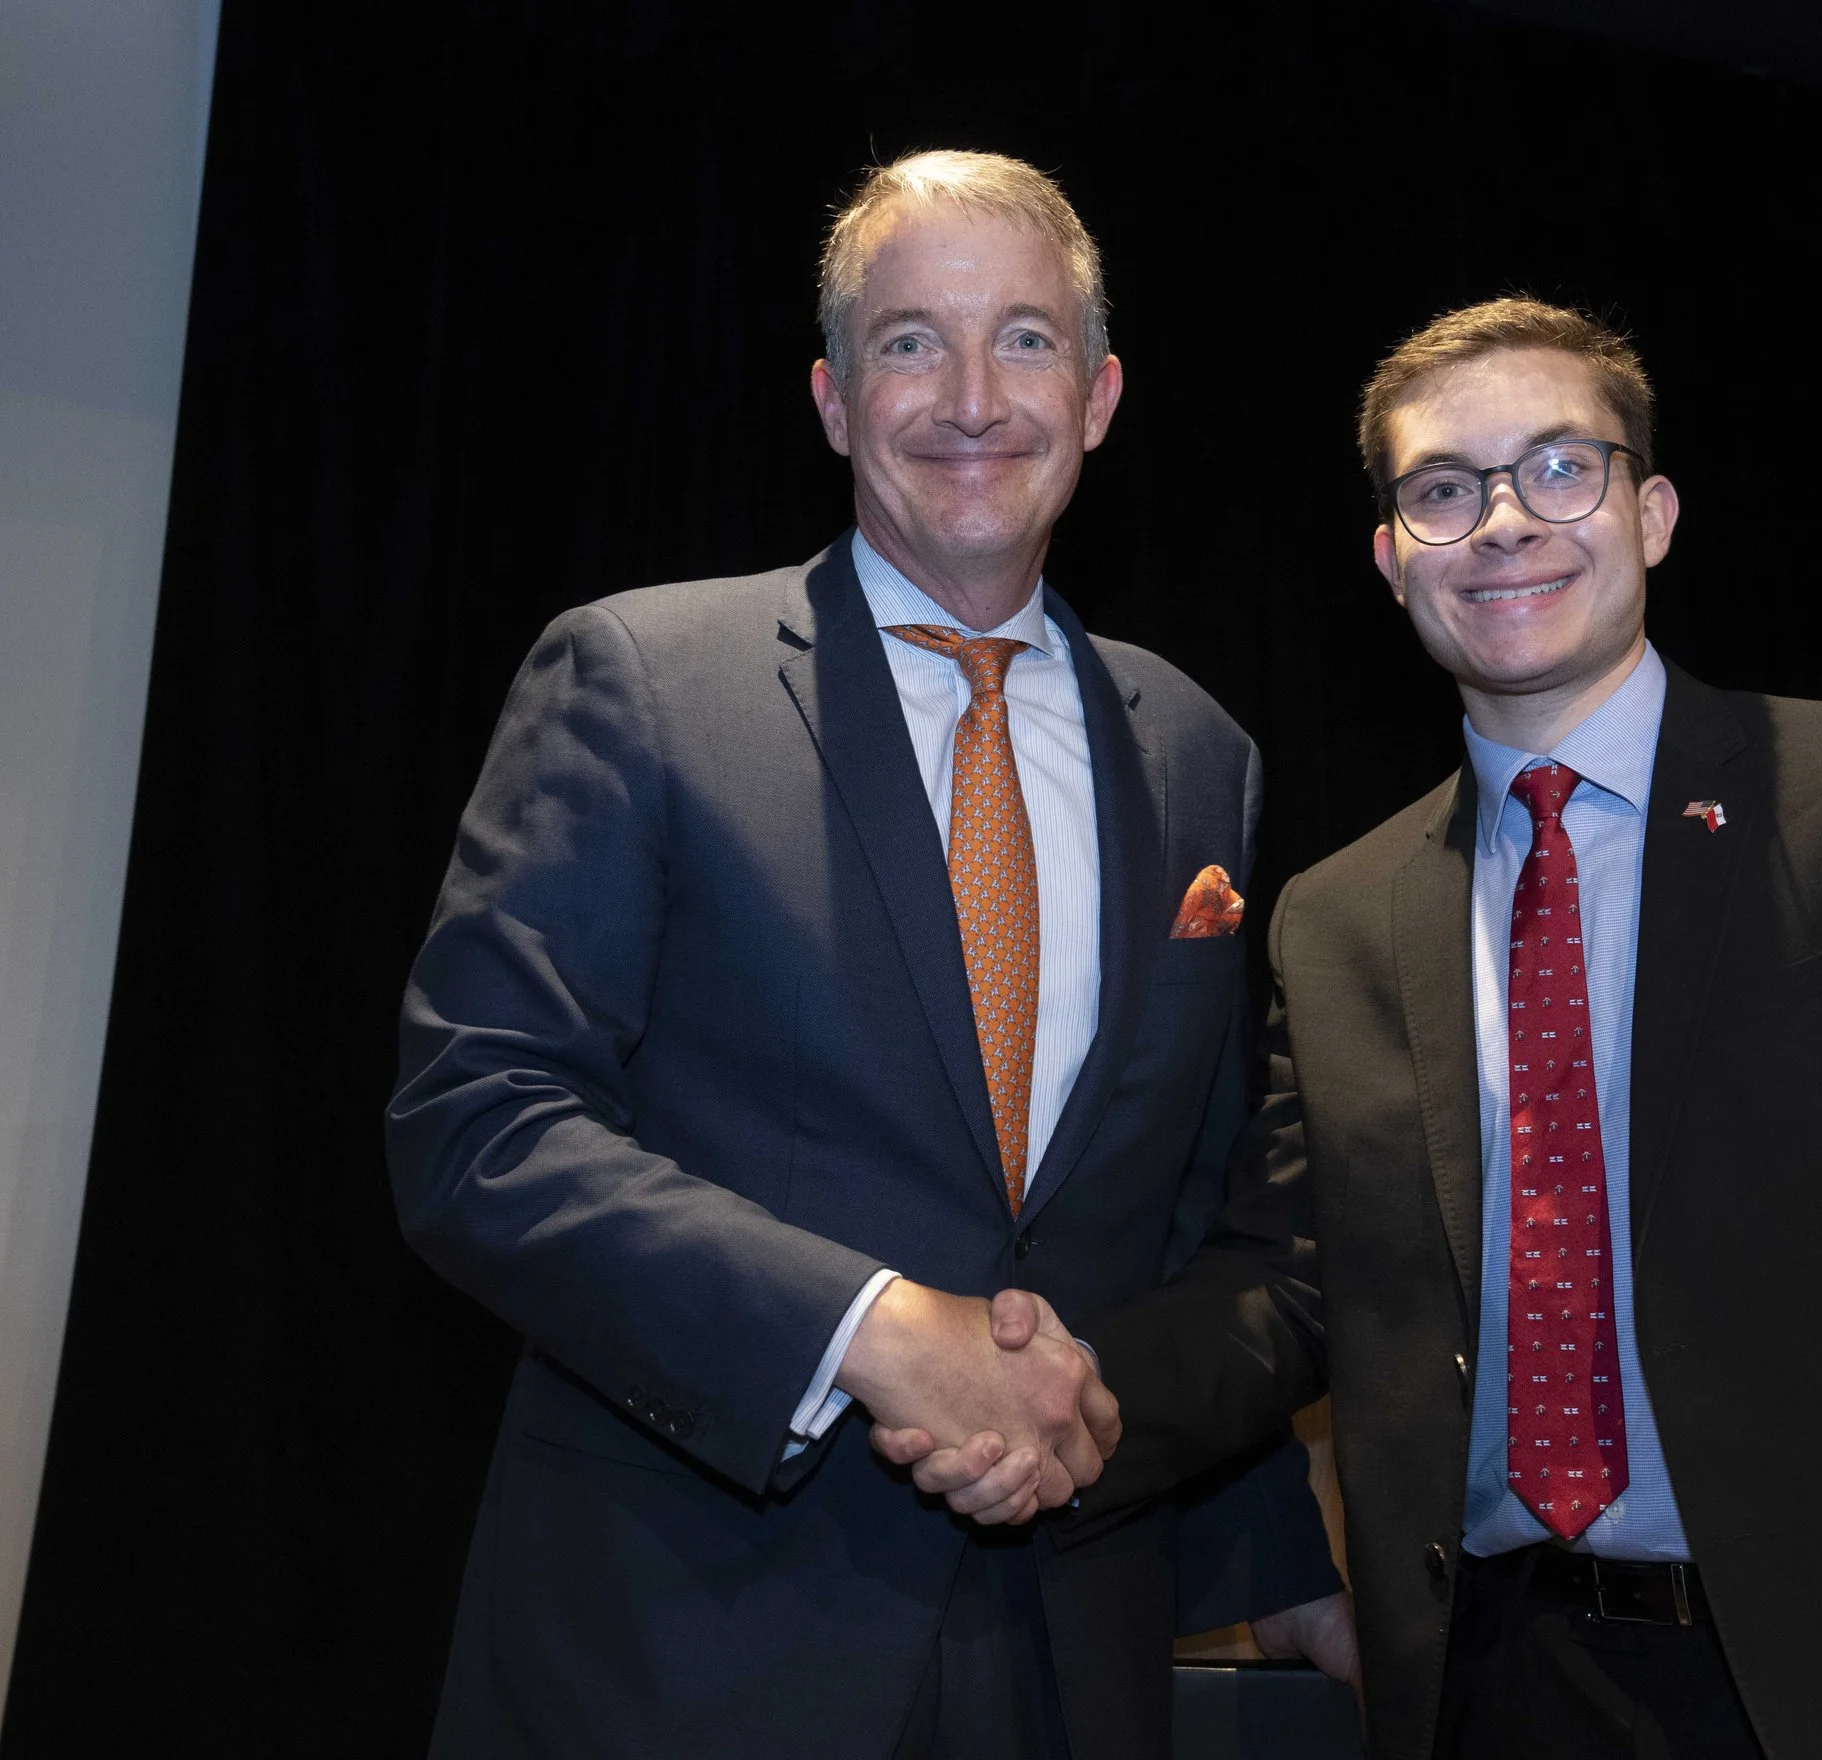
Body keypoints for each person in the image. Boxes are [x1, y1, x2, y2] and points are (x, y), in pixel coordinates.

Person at [890, 298, 1822, 1757]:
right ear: (1392, 559)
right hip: (1501, 1687)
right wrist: (1048, 1400)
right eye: (1444, 489)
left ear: (1652, 515)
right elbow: (1288, 1290)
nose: (1503, 522)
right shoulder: (1338, 919)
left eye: (1561, 468)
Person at [384, 150, 1343, 1760]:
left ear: (1100, 396)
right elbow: (479, 1130)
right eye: (911, 342)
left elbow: (1188, 1224)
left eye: (1025, 340)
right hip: (683, 1651)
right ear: (834, 401)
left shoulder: (1200, 753)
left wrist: (1276, 1563)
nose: (972, 397)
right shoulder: (640, 678)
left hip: (1070, 1657)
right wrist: (873, 1330)